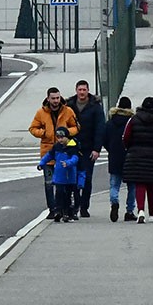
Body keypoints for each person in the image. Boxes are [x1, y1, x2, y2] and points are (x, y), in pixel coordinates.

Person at [29, 87, 79, 219]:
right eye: (53, 98)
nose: (56, 101)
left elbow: (76, 127)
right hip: (48, 151)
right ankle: (53, 209)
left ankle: (63, 208)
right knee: (49, 183)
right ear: (48, 99)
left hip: (64, 153)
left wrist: (66, 134)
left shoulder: (68, 111)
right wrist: (43, 133)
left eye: (57, 98)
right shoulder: (41, 113)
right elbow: (33, 128)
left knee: (64, 184)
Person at [121, 96, 153, 224]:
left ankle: (141, 210)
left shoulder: (133, 119)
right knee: (152, 185)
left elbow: (126, 137)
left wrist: (130, 148)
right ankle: (152, 214)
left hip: (136, 155)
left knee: (140, 184)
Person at [66, 79, 105, 218]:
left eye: (84, 90)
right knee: (74, 178)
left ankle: (84, 206)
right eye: (80, 90)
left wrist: (97, 149)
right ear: (76, 90)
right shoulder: (69, 105)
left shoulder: (95, 107)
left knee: (87, 178)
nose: (82, 92)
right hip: (73, 147)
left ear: (88, 90)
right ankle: (75, 205)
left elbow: (100, 128)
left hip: (89, 148)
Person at [103, 95, 137, 222]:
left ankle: (115, 202)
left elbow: (104, 140)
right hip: (130, 157)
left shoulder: (110, 123)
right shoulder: (132, 123)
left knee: (114, 184)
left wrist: (111, 150)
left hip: (114, 157)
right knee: (132, 186)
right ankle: (129, 211)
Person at [37, 126, 81, 221]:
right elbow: (49, 155)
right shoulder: (57, 147)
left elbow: (75, 158)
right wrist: (42, 163)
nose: (60, 140)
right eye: (58, 137)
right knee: (59, 194)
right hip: (59, 176)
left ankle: (68, 213)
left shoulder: (73, 146)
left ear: (67, 137)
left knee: (68, 196)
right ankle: (58, 212)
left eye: (62, 137)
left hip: (69, 177)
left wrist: (68, 163)